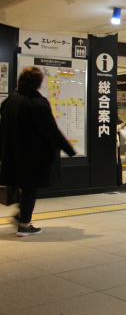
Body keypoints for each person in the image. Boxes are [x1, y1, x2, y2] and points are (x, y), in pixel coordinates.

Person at [0, 66, 76, 236]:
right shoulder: (37, 103)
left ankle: (21, 217)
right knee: (29, 189)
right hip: (32, 155)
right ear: (38, 83)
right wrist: (69, 149)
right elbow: (50, 130)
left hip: (12, 153)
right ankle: (24, 225)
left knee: (24, 187)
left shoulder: (10, 100)